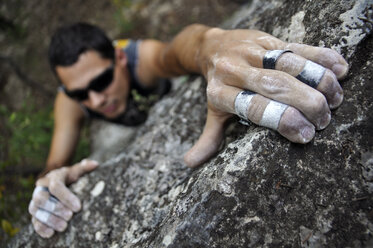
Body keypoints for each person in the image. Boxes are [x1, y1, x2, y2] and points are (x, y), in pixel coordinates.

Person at [28, 23, 348, 238]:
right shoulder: (69, 102)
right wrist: (50, 178)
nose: (95, 99)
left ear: (120, 59)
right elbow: (56, 160)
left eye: (101, 82)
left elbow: (181, 48)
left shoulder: (142, 60)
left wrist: (214, 44)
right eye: (80, 93)